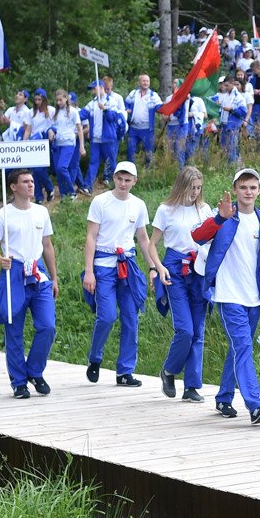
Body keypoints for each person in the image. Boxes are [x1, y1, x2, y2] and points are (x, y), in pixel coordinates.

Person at [191, 167, 260, 425]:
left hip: (254, 298)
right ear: (235, 190)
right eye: (243, 187)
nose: (248, 192)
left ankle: (223, 397)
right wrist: (219, 218)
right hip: (228, 296)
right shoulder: (224, 217)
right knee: (243, 347)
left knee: (238, 348)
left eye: (252, 187)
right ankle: (255, 405)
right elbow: (197, 236)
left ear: (259, 190)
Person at [83, 161, 169, 387]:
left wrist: (152, 267)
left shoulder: (138, 205)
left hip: (127, 264)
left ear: (134, 181)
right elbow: (91, 236)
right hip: (104, 263)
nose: (123, 183)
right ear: (114, 178)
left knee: (131, 317)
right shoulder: (100, 202)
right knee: (107, 315)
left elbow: (142, 238)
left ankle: (125, 371)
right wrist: (89, 271)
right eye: (119, 178)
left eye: (127, 179)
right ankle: (95, 357)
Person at [0, 169, 60, 398]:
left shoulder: (41, 212)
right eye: (25, 182)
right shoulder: (3, 215)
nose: (31, 185)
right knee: (13, 328)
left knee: (47, 325)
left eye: (31, 181)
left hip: (38, 272)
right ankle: (18, 381)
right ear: (13, 187)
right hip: (14, 271)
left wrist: (55, 277)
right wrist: (0, 259)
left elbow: (47, 245)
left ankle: (35, 371)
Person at [150, 166, 212, 403]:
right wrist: (158, 267)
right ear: (181, 186)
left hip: (198, 268)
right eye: (191, 187)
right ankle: (168, 370)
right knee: (185, 329)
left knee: (198, 330)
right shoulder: (166, 210)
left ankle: (192, 386)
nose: (195, 192)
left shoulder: (204, 210)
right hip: (174, 267)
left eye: (198, 188)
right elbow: (152, 244)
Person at [81, 81, 127, 191]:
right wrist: (70, 113)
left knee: (111, 162)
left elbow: (113, 118)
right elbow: (82, 114)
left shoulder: (111, 101)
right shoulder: (92, 103)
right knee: (93, 162)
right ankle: (88, 186)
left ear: (101, 88)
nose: (93, 91)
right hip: (95, 139)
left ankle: (118, 185)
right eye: (92, 89)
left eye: (94, 88)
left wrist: (105, 110)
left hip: (108, 138)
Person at [52, 89, 87, 199]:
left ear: (66, 99)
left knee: (62, 167)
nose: (58, 102)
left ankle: (71, 192)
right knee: (58, 170)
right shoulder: (55, 112)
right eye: (57, 100)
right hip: (58, 143)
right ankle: (64, 195)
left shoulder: (73, 111)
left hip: (69, 142)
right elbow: (53, 126)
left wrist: (81, 146)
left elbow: (79, 129)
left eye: (60, 100)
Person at [125, 74, 162, 167]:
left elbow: (160, 107)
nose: (146, 83)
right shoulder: (133, 94)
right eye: (143, 81)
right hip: (133, 128)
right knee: (130, 151)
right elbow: (125, 104)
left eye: (147, 81)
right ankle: (131, 172)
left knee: (149, 153)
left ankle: (148, 174)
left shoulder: (154, 96)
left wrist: (166, 108)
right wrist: (127, 109)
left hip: (147, 129)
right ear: (139, 82)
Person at [27, 89, 56, 202]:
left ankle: (49, 188)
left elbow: (54, 125)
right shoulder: (31, 112)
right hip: (33, 141)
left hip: (45, 140)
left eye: (40, 99)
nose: (38, 102)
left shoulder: (51, 110)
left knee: (40, 169)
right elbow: (29, 129)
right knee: (34, 170)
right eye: (36, 99)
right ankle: (38, 196)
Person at [212, 77, 247, 164]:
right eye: (224, 85)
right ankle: (226, 166)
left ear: (232, 84)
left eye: (227, 85)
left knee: (232, 147)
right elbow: (213, 98)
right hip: (224, 125)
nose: (225, 87)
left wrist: (232, 109)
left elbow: (243, 112)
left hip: (233, 125)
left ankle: (233, 166)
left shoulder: (238, 97)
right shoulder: (226, 95)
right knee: (224, 147)